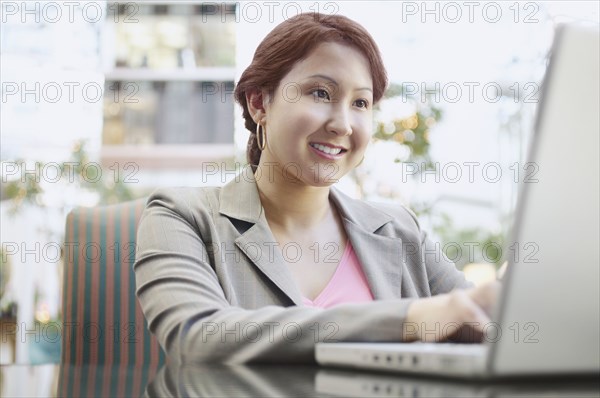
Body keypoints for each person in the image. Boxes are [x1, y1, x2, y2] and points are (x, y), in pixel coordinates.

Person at [134, 12, 499, 364]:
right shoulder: (181, 217)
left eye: (360, 102)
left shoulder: (398, 229)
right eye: (321, 93)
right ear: (259, 102)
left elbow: (479, 322)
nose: (342, 124)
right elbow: (197, 337)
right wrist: (406, 320)